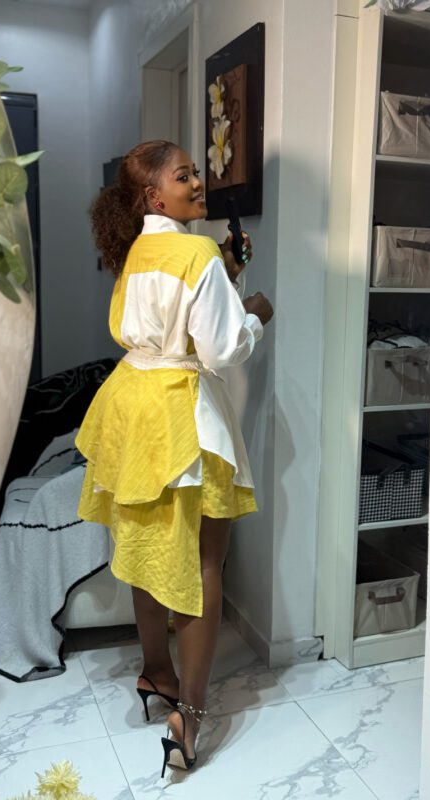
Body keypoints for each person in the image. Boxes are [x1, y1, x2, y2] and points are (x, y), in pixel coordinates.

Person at [75, 140, 273, 775]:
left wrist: (226, 272)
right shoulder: (196, 254)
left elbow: (171, 316)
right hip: (182, 417)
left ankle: (155, 673)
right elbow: (220, 350)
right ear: (154, 197)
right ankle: (190, 715)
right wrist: (254, 315)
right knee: (203, 562)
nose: (197, 183)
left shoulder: (137, 251)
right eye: (184, 176)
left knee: (147, 553)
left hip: (132, 408)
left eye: (195, 172)